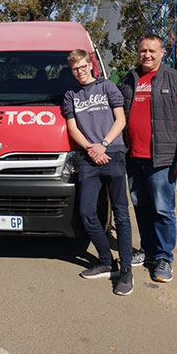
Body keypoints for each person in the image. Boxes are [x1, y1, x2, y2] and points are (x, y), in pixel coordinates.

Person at [120, 35, 177, 282]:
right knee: (141, 207)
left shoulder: (176, 81)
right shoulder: (129, 80)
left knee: (163, 209)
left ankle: (164, 258)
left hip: (161, 160)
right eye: (143, 50)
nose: (147, 55)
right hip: (134, 158)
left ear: (162, 53)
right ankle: (148, 250)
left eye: (152, 50)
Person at [63, 50, 133, 296]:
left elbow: (120, 120)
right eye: (75, 69)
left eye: (82, 66)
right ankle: (106, 260)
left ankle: (126, 270)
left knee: (121, 214)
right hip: (87, 159)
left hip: (112, 152)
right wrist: (91, 150)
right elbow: (73, 128)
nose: (80, 71)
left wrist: (103, 144)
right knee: (86, 212)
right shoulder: (71, 95)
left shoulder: (108, 87)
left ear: (90, 65)